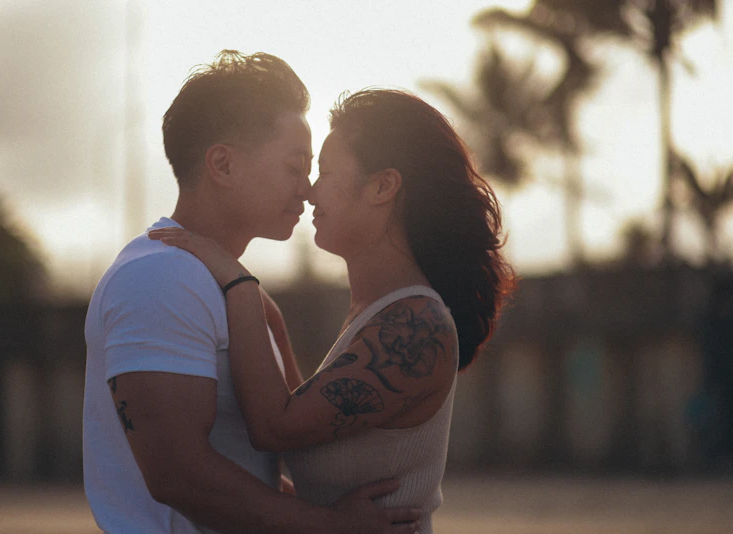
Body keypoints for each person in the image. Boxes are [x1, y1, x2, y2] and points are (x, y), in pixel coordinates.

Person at [83, 52, 422, 534]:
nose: (308, 190)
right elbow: (180, 476)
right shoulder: (160, 277)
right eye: (295, 166)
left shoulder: (229, 287)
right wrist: (330, 527)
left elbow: (249, 471)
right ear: (222, 163)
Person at [149, 88, 516, 533]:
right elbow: (301, 428)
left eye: (323, 171)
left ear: (383, 186)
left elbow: (273, 427)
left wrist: (240, 284)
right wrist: (271, 320)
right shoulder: (376, 312)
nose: (308, 190)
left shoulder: (418, 324)